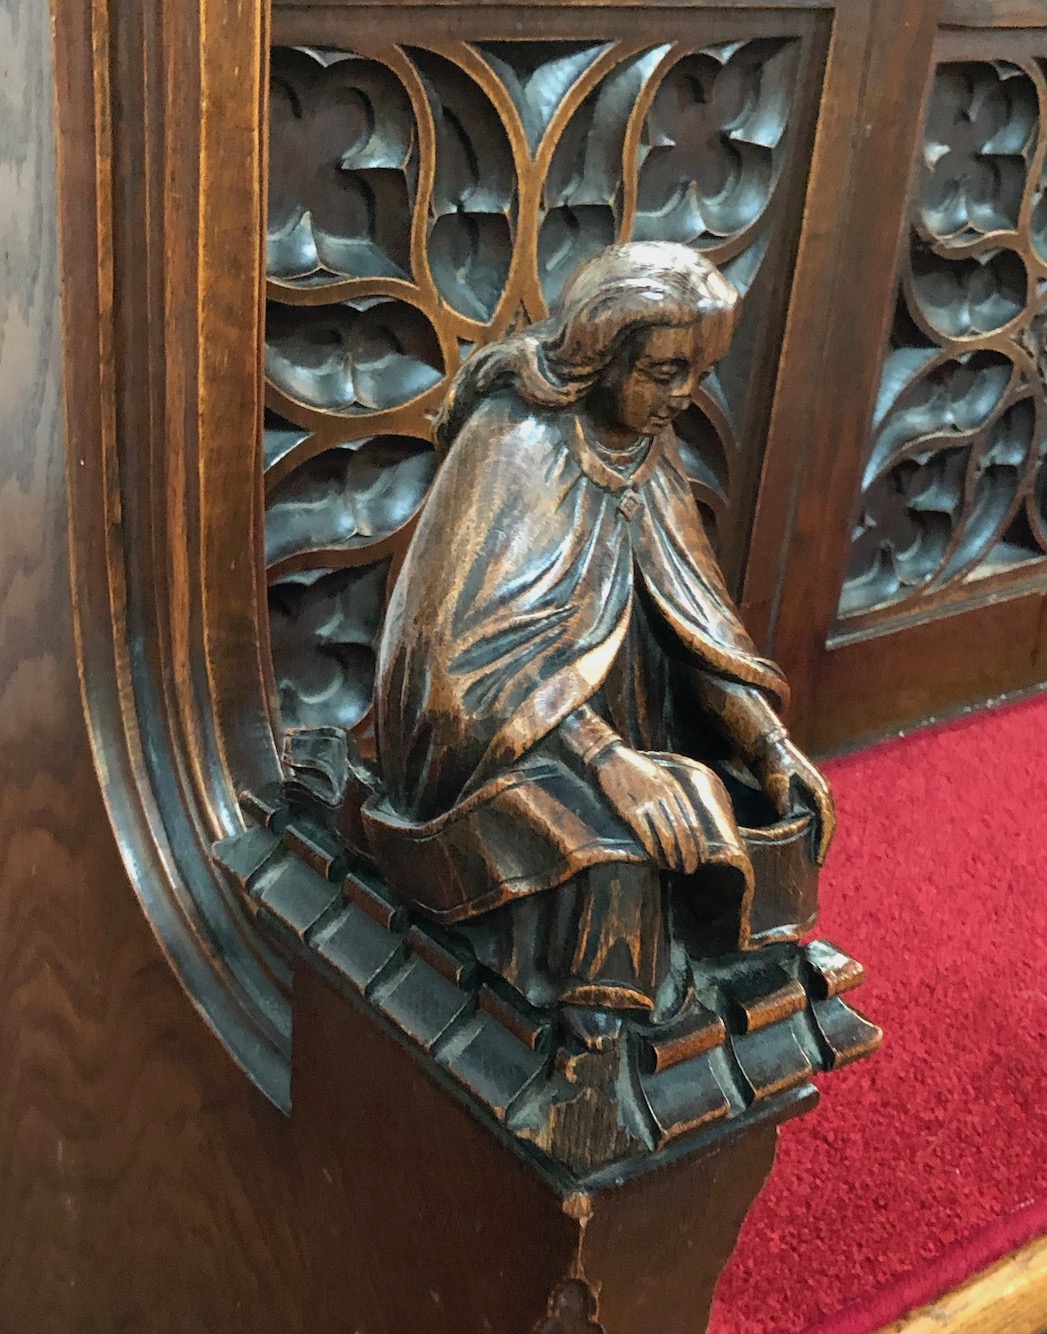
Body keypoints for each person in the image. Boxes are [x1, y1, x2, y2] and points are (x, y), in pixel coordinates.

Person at [362, 241, 834, 1051]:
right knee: (614, 854)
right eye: (664, 372)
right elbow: (463, 665)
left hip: (625, 729)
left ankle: (730, 964)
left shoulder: (647, 445)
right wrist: (607, 761)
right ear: (600, 353)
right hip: (499, 748)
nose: (682, 398)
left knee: (767, 816)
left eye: (699, 374)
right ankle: (590, 1027)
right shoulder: (514, 441)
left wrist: (768, 744)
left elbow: (695, 626)